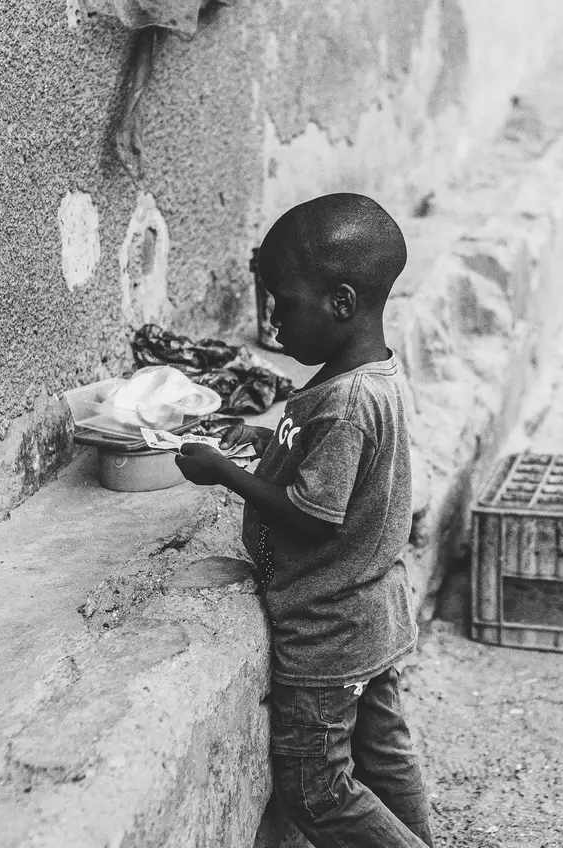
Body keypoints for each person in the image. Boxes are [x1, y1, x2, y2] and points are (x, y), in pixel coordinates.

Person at [175, 193, 434, 847]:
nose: (271, 320)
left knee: (317, 792)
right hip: (368, 614)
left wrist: (224, 473)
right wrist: (260, 443)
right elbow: (326, 465)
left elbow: (316, 518)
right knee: (384, 754)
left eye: (282, 302)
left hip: (327, 630)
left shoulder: (345, 402)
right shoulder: (364, 378)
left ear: (341, 303)